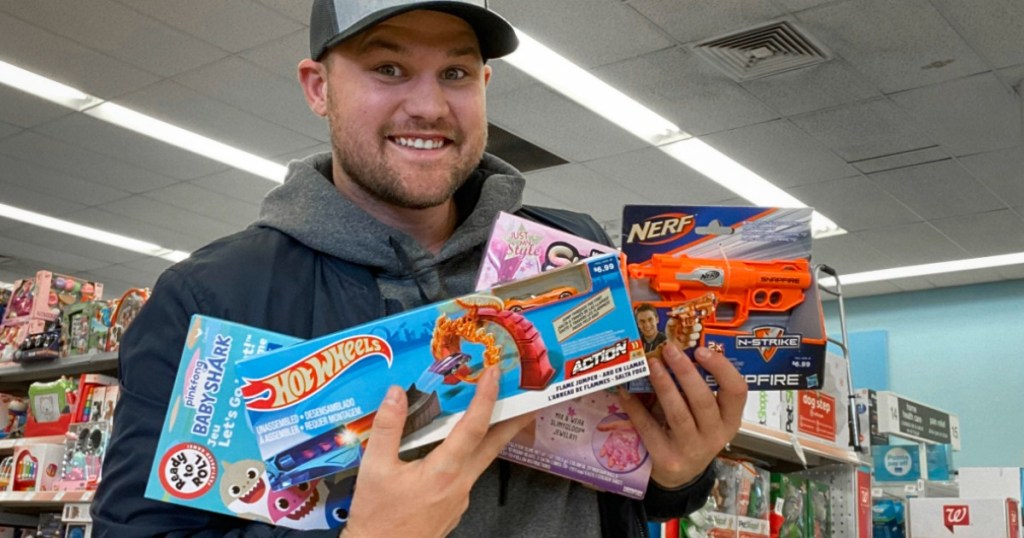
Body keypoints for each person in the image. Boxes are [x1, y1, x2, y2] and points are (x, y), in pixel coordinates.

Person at [91, 1, 748, 537]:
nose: (430, 106)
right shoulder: (209, 299)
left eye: (456, 74)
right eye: (389, 67)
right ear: (319, 89)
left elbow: (622, 488)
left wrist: (679, 474)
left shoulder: (574, 256)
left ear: (485, 86)